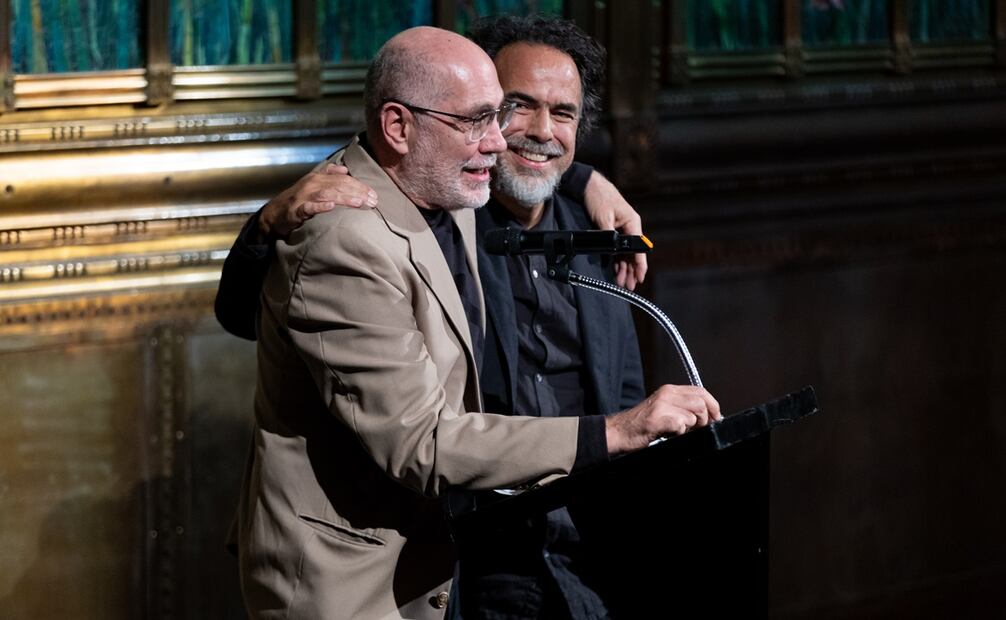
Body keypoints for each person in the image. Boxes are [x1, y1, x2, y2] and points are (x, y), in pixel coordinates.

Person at [228, 25, 720, 620]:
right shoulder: (347, 230)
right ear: (400, 127)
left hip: (535, 559)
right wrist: (615, 431)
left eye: (560, 113)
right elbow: (424, 444)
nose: (501, 141)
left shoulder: (464, 196)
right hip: (369, 581)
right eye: (494, 116)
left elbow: (519, 165)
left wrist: (588, 178)